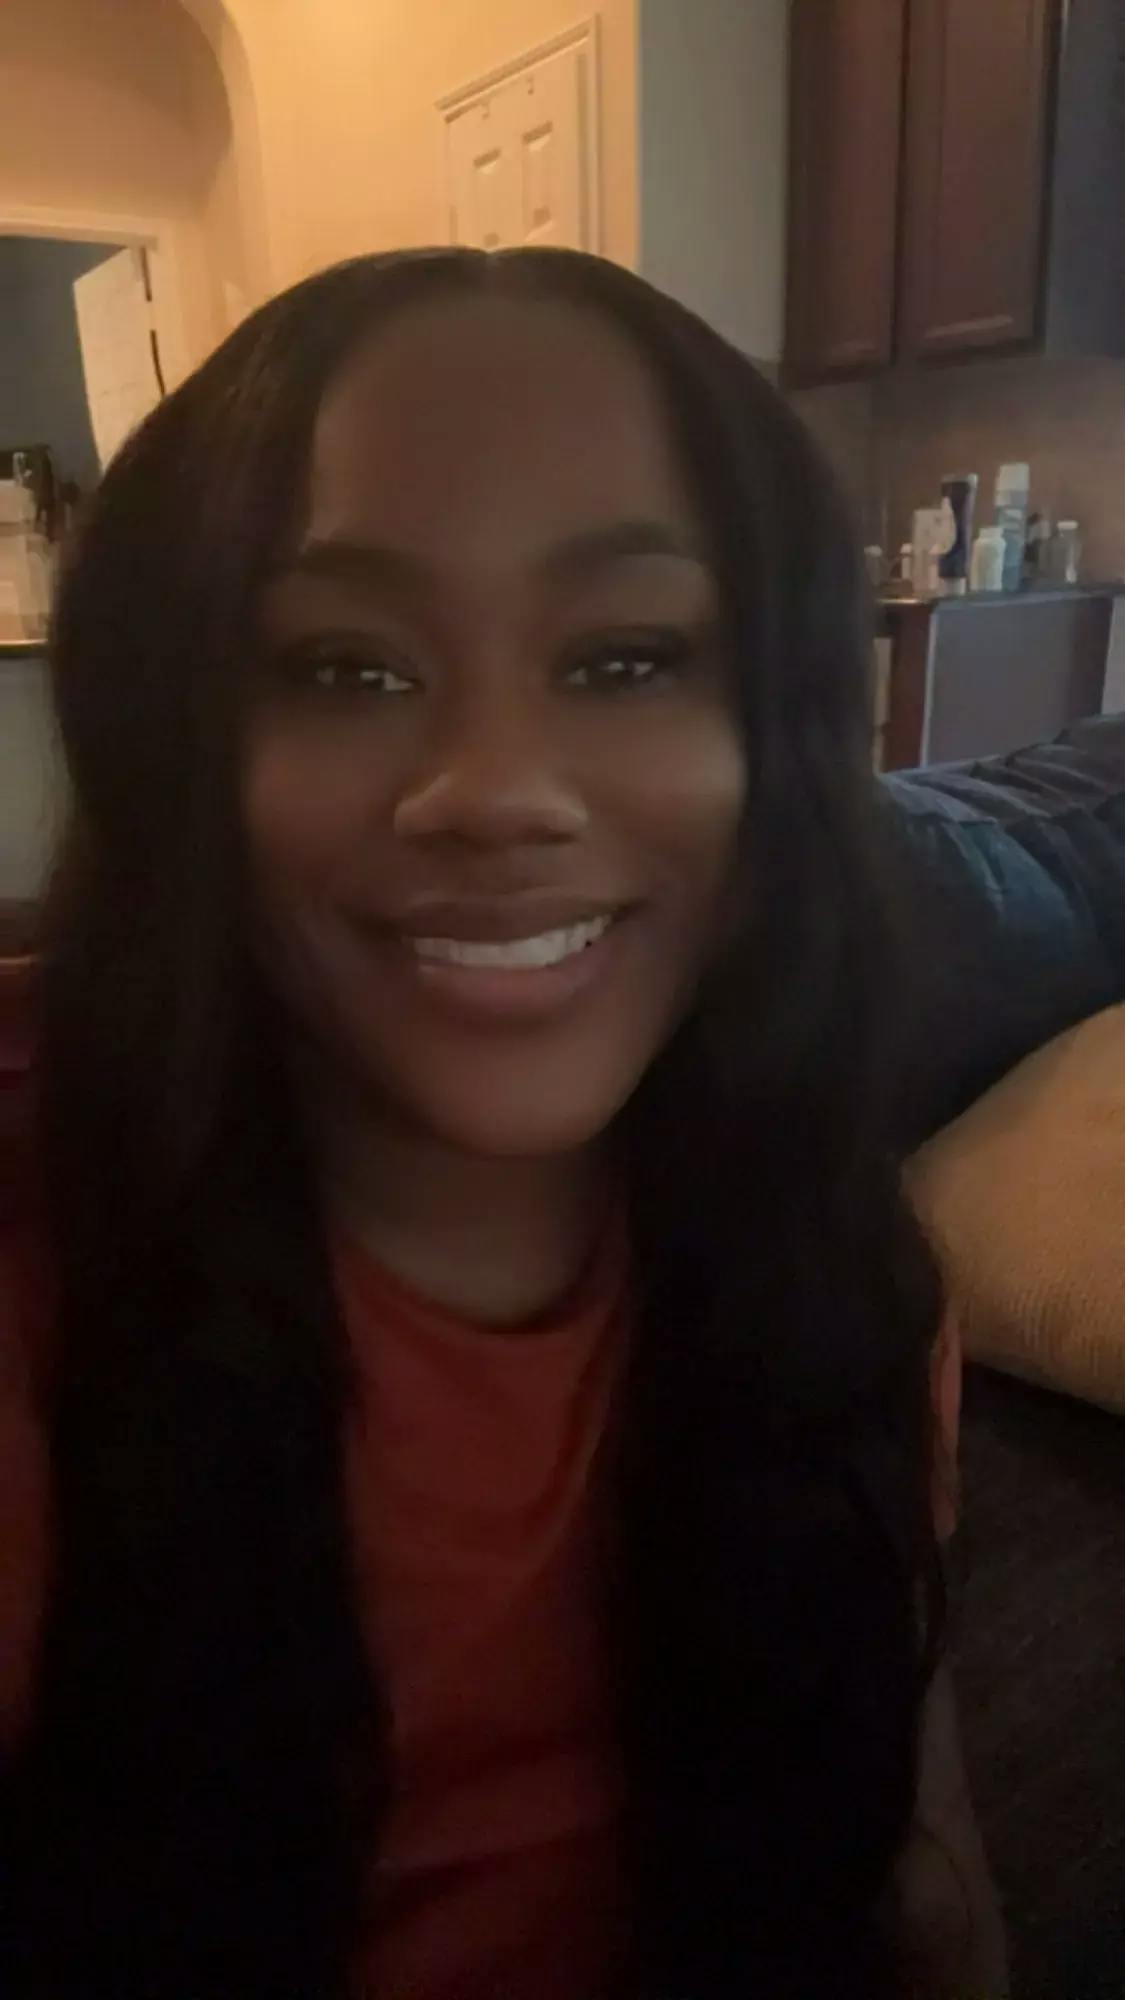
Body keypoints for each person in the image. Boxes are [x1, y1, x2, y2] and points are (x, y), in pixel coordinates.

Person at [0, 248, 1005, 1998]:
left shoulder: (841, 1273)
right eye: (345, 668)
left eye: (623, 657)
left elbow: (921, 1891)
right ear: (176, 741)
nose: (494, 792)